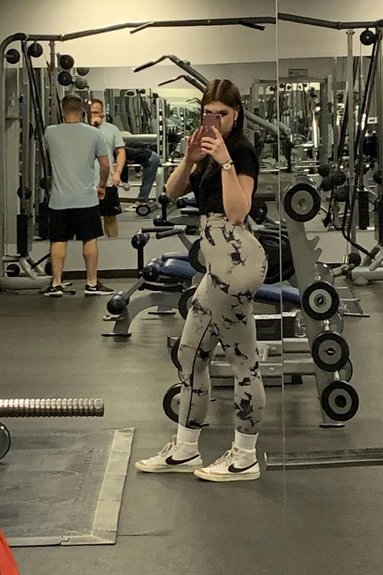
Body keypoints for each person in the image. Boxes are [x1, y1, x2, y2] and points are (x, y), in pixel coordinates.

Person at [135, 79, 267, 482]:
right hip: (216, 265)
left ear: (236, 114)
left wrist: (225, 161)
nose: (216, 120)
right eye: (209, 114)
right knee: (190, 354)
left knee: (243, 361)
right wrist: (190, 158)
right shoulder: (205, 152)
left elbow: (238, 212)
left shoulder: (241, 151)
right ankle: (186, 448)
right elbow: (171, 191)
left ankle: (245, 456)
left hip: (237, 262)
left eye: (223, 114)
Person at [42, 93, 114, 297]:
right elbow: (105, 165)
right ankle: (91, 284)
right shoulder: (94, 133)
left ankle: (56, 284)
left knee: (58, 240)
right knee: (89, 239)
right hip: (86, 198)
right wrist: (102, 185)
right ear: (83, 111)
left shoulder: (50, 132)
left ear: (61, 111)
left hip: (59, 200)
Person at [89, 98, 126, 237]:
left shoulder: (112, 129)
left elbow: (121, 152)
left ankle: (114, 244)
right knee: (88, 219)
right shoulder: (80, 130)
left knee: (110, 217)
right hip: (85, 182)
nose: (93, 115)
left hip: (107, 181)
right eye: (90, 113)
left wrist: (117, 173)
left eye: (96, 112)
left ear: (102, 113)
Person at [123, 146, 161, 211]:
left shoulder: (119, 153)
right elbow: (136, 158)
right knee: (147, 181)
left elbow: (123, 166)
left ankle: (141, 201)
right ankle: (142, 200)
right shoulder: (126, 150)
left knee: (147, 181)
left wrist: (125, 181)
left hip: (150, 159)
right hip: (150, 157)